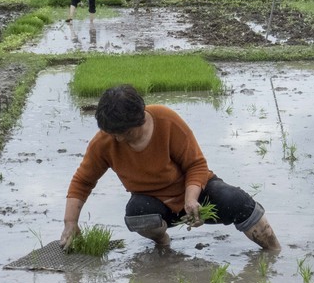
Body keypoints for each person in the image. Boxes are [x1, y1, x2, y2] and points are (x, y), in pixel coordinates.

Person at [62, 84, 281, 251]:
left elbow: (196, 165)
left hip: (195, 192)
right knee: (137, 214)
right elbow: (83, 181)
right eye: (113, 133)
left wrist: (190, 199)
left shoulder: (166, 121)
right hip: (155, 203)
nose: (118, 139)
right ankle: (163, 243)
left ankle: (274, 251)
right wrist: (70, 223)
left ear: (140, 119)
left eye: (125, 133)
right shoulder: (106, 141)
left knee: (237, 201)